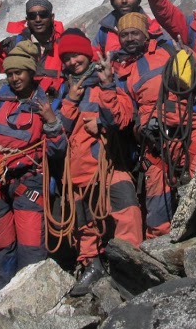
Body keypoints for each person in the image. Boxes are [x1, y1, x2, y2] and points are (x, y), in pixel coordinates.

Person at [0, 41, 67, 297]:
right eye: (10, 74)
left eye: (18, 72)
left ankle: (30, 298)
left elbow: (58, 149)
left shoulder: (47, 101)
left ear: (30, 72)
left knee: (31, 243)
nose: (14, 78)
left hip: (29, 180)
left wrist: (52, 123)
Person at [55, 29, 143, 296]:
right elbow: (58, 133)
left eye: (76, 55)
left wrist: (106, 87)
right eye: (66, 58)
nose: (72, 62)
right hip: (79, 172)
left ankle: (131, 269)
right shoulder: (65, 91)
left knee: (128, 213)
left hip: (109, 166)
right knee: (85, 227)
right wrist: (69, 100)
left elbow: (121, 118)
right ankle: (91, 266)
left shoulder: (109, 81)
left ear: (87, 52)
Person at [112, 11, 196, 238]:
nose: (129, 38)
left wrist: (192, 65)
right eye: (124, 35)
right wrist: (107, 89)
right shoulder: (122, 74)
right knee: (157, 200)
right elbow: (123, 117)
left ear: (146, 34)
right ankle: (160, 252)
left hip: (192, 128)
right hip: (155, 142)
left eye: (134, 33)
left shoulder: (171, 50)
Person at [0, 0, 66, 95]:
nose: (38, 19)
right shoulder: (14, 46)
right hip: (21, 109)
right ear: (27, 20)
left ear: (52, 17)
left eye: (43, 14)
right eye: (32, 16)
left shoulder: (65, 46)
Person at [93, 0, 164, 57]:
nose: (124, 0)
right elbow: (93, 58)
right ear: (112, 2)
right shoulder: (104, 31)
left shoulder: (153, 22)